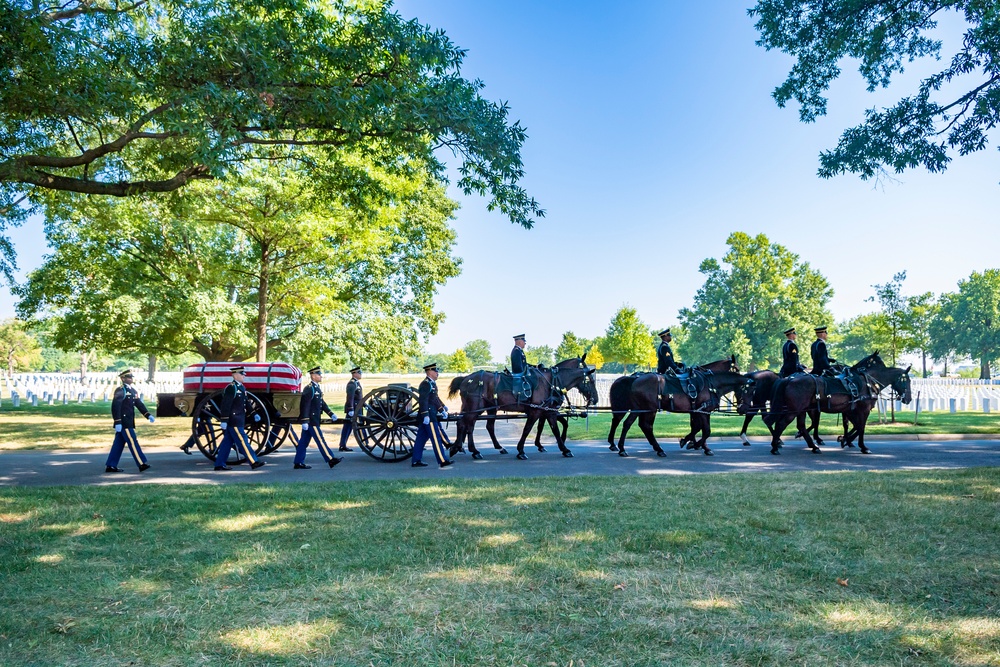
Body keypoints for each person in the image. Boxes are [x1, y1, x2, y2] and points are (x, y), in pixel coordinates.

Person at [213, 366, 265, 471]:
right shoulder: (231, 387)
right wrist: (224, 420)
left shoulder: (241, 387)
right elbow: (226, 405)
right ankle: (254, 461)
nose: (244, 376)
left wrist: (254, 413)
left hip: (239, 419)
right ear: (235, 375)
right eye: (242, 374)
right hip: (234, 420)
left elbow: (246, 403)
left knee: (226, 443)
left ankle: (219, 464)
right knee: (243, 441)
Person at [105, 370, 154, 473]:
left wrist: (147, 415)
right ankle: (141, 463)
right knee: (133, 441)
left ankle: (111, 465)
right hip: (124, 422)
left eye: (131, 376)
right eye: (128, 377)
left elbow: (139, 404)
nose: (131, 378)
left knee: (118, 444)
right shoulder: (120, 390)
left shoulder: (132, 391)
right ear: (123, 379)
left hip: (128, 421)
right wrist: (117, 421)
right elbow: (115, 406)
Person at [294, 366, 342, 469]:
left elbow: (321, 403)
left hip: (313, 420)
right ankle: (330, 459)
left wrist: (330, 413)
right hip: (311, 420)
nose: (321, 376)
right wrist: (305, 421)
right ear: (313, 376)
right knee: (320, 440)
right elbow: (305, 405)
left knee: (303, 442)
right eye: (319, 374)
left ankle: (298, 462)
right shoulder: (309, 388)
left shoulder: (316, 388)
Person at [410, 363, 453, 468]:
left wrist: (442, 409)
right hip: (429, 416)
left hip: (430, 414)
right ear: (429, 372)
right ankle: (442, 461)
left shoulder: (432, 383)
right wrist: (425, 415)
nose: (437, 373)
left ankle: (416, 460)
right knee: (436, 439)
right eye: (435, 371)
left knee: (420, 439)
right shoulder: (426, 384)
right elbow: (423, 400)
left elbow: (434, 399)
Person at [338, 366, 363, 452]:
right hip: (354, 408)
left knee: (351, 426)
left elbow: (359, 397)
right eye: (359, 372)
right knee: (349, 427)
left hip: (358, 407)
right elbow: (350, 397)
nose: (361, 374)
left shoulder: (356, 383)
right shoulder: (352, 383)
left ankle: (343, 444)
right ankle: (343, 444)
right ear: (354, 374)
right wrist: (350, 409)